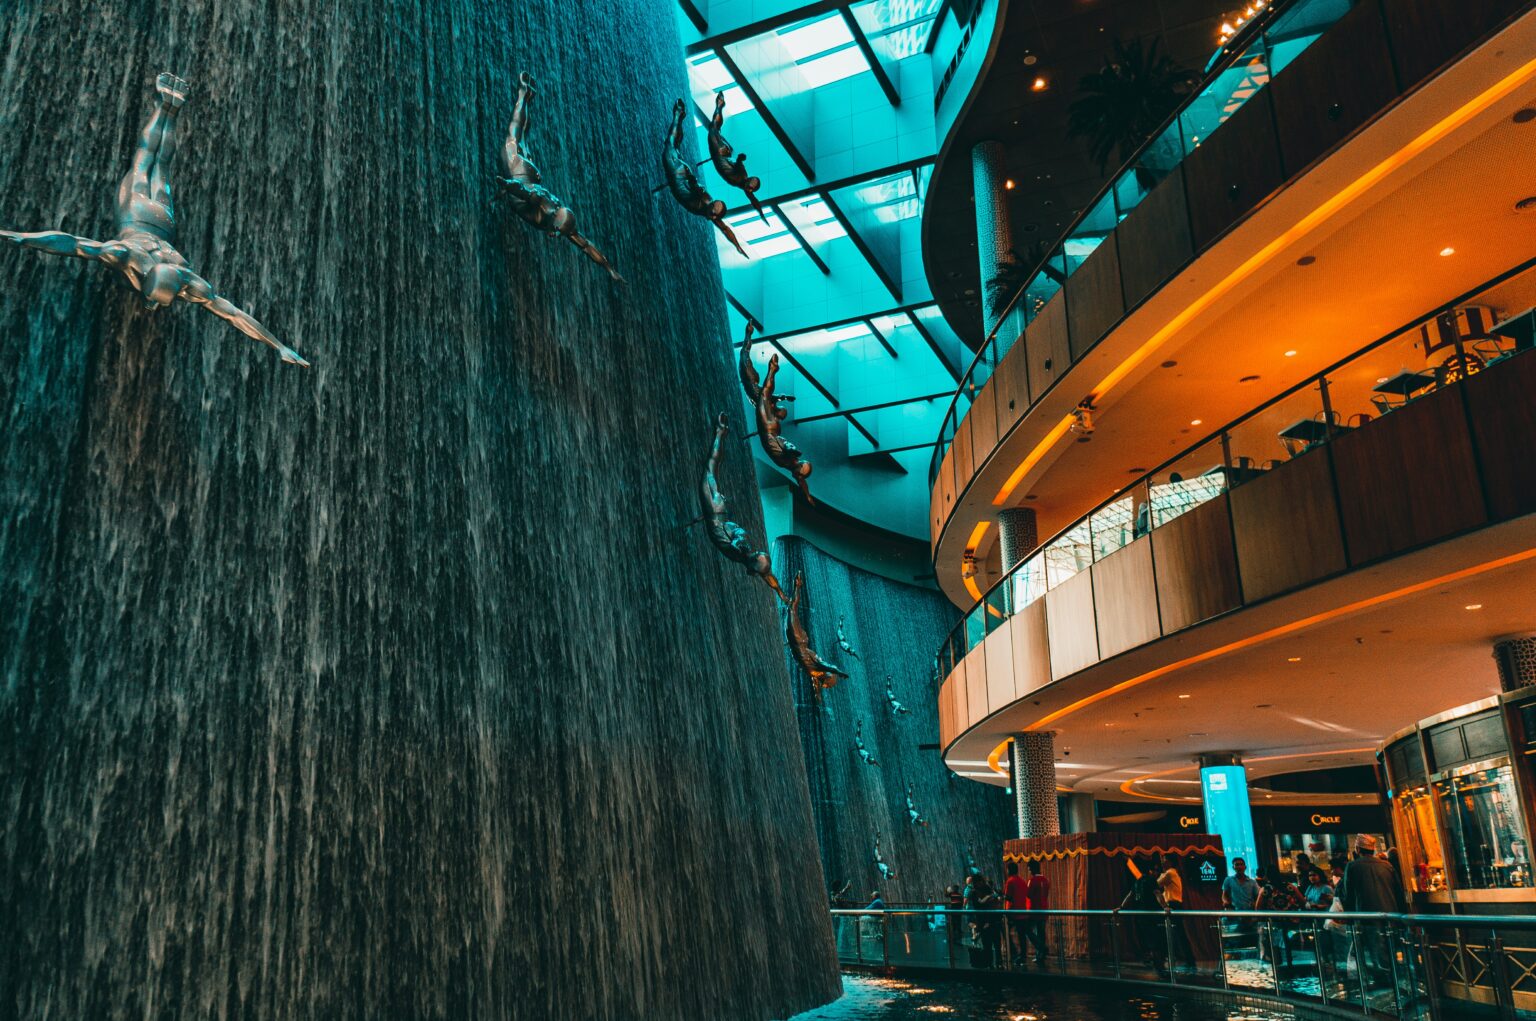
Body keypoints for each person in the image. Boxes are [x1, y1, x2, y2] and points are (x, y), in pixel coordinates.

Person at [2, 73, 308, 365]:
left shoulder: (160, 270)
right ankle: (167, 105)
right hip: (142, 215)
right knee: (149, 159)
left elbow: (74, 244)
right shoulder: (153, 267)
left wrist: (19, 236)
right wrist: (19, 237)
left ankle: (168, 106)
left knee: (154, 161)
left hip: (158, 220)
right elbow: (72, 244)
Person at [498, 72, 623, 281]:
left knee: (521, 138)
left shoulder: (566, 225)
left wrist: (610, 268)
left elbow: (587, 245)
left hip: (531, 177)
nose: (556, 235)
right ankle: (522, 94)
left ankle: (526, 96)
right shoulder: (547, 206)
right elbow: (524, 192)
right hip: (518, 175)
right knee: (513, 138)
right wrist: (505, 184)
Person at [699, 414, 783, 597]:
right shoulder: (743, 554)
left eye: (758, 553)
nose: (758, 549)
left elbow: (766, 574)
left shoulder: (741, 549)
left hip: (716, 511)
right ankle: (720, 433)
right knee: (712, 467)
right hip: (717, 513)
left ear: (752, 561)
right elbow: (766, 575)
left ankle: (721, 433)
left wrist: (779, 591)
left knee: (711, 467)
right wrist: (780, 593)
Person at [738, 323, 815, 502]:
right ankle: (772, 371)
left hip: (768, 429)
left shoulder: (790, 460)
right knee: (765, 394)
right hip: (769, 429)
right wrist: (808, 495)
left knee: (765, 392)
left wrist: (748, 333)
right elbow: (802, 481)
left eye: (801, 466)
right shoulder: (791, 466)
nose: (799, 466)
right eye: (801, 465)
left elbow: (794, 460)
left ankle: (772, 370)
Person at [662, 99, 746, 256]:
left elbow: (725, 229)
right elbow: (726, 229)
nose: (714, 204)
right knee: (673, 146)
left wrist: (736, 245)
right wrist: (737, 245)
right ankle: (678, 117)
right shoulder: (708, 203)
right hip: (682, 176)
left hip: (679, 178)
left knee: (671, 146)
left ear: (714, 214)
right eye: (716, 203)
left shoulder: (707, 212)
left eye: (716, 207)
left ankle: (677, 116)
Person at [1335, 833, 1403, 988]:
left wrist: (1351, 917)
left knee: (1374, 951)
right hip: (1391, 915)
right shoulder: (1387, 866)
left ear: (1358, 849)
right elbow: (1399, 892)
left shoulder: (1352, 867)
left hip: (1366, 918)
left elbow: (1347, 894)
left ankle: (1384, 982)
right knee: (1388, 949)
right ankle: (1394, 981)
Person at [783, 572, 848, 697]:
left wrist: (817, 694)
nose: (821, 658)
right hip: (798, 640)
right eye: (826, 685)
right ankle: (797, 585)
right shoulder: (817, 668)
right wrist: (840, 673)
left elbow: (820, 677)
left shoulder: (815, 672)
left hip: (798, 640)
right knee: (792, 608)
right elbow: (829, 667)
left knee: (791, 608)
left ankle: (796, 586)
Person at [706, 91, 766, 221]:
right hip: (721, 154)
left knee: (714, 128)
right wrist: (740, 158)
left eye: (752, 185)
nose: (750, 183)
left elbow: (753, 200)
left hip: (721, 155)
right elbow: (739, 163)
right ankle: (719, 106)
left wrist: (760, 212)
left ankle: (719, 106)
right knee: (713, 129)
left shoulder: (744, 187)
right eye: (753, 180)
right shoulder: (743, 176)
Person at [1121, 857, 1166, 973]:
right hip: (1151, 916)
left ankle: (1156, 964)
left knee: (1149, 941)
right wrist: (1165, 907)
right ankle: (1159, 967)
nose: (1157, 873)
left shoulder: (1137, 881)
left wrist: (1121, 907)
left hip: (1141, 917)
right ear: (1150, 871)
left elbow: (1130, 895)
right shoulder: (1151, 880)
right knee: (1156, 941)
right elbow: (1157, 894)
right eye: (1155, 870)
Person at [1156, 854, 1198, 972]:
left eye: (1164, 859)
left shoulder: (1170, 873)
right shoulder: (1171, 873)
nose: (1162, 862)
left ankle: (1189, 961)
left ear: (1169, 861)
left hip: (1173, 905)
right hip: (1174, 905)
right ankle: (1187, 961)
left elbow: (1156, 883)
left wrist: (1157, 875)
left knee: (1179, 935)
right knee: (1177, 935)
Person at [1222, 856, 1261, 951]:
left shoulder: (1252, 882)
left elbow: (1258, 896)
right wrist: (1227, 904)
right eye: (1237, 865)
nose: (1239, 866)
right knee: (1236, 941)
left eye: (1241, 864)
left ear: (1245, 867)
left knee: (1251, 940)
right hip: (1235, 915)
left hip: (1250, 916)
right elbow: (1224, 895)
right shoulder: (1228, 880)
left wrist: (1255, 905)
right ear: (1233, 867)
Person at [966, 872, 1003, 968]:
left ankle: (995, 963)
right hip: (986, 920)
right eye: (980, 881)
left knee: (993, 943)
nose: (981, 883)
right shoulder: (975, 892)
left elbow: (979, 905)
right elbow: (978, 905)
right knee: (990, 943)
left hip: (989, 920)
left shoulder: (984, 890)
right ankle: (992, 963)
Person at [1022, 858, 1051, 964]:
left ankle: (1041, 947)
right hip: (1044, 909)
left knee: (1027, 930)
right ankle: (1040, 956)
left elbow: (1028, 894)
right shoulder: (1045, 880)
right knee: (1041, 932)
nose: (1029, 871)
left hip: (1034, 910)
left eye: (1029, 869)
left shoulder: (1032, 880)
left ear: (1032, 870)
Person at [1003, 862, 1030, 966]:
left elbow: (1009, 897)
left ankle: (1013, 953)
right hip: (1022, 911)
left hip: (1012, 911)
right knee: (1022, 935)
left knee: (1006, 933)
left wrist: (1002, 896)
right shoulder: (1022, 881)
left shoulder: (1010, 881)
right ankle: (1023, 956)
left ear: (1009, 870)